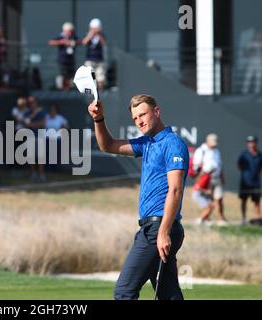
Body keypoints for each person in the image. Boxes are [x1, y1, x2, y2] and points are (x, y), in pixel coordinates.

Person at [88, 94, 188, 300]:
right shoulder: (147, 143)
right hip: (152, 228)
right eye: (135, 118)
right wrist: (99, 119)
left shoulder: (173, 143)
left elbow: (175, 190)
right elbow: (107, 145)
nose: (139, 121)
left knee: (124, 292)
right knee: (169, 296)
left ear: (157, 112)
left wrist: (163, 233)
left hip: (159, 229)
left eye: (143, 114)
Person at [192, 133, 227, 223]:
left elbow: (219, 165)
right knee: (209, 202)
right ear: (208, 141)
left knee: (218, 199)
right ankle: (203, 219)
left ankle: (221, 219)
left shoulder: (216, 151)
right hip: (205, 179)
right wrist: (204, 171)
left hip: (216, 178)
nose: (214, 145)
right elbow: (196, 166)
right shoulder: (201, 150)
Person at [48, 22, 81, 91]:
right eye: (69, 31)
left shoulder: (73, 36)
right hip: (62, 60)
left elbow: (80, 41)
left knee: (71, 75)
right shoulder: (61, 36)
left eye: (71, 31)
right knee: (64, 75)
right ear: (64, 31)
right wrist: (61, 42)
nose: (70, 33)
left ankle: (69, 88)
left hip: (71, 60)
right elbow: (50, 42)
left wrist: (73, 42)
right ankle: (64, 89)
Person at [238, 136, 262, 224]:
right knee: (244, 200)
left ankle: (257, 219)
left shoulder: (259, 155)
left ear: (256, 143)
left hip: (256, 183)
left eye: (253, 142)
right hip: (245, 182)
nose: (251, 144)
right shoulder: (244, 154)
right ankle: (243, 219)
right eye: (249, 142)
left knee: (257, 201)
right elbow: (239, 166)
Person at [24, 96, 47, 182]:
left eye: (33, 102)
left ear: (36, 103)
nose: (31, 104)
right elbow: (26, 123)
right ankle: (33, 174)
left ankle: (41, 175)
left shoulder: (41, 112)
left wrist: (32, 124)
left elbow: (43, 124)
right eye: (30, 103)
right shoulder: (27, 112)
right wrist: (34, 115)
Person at [83, 18, 107, 90]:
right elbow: (84, 42)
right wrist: (91, 34)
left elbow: (103, 43)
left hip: (99, 60)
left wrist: (98, 34)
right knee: (89, 78)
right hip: (90, 59)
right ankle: (90, 93)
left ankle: (101, 92)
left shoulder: (101, 35)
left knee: (100, 78)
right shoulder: (88, 34)